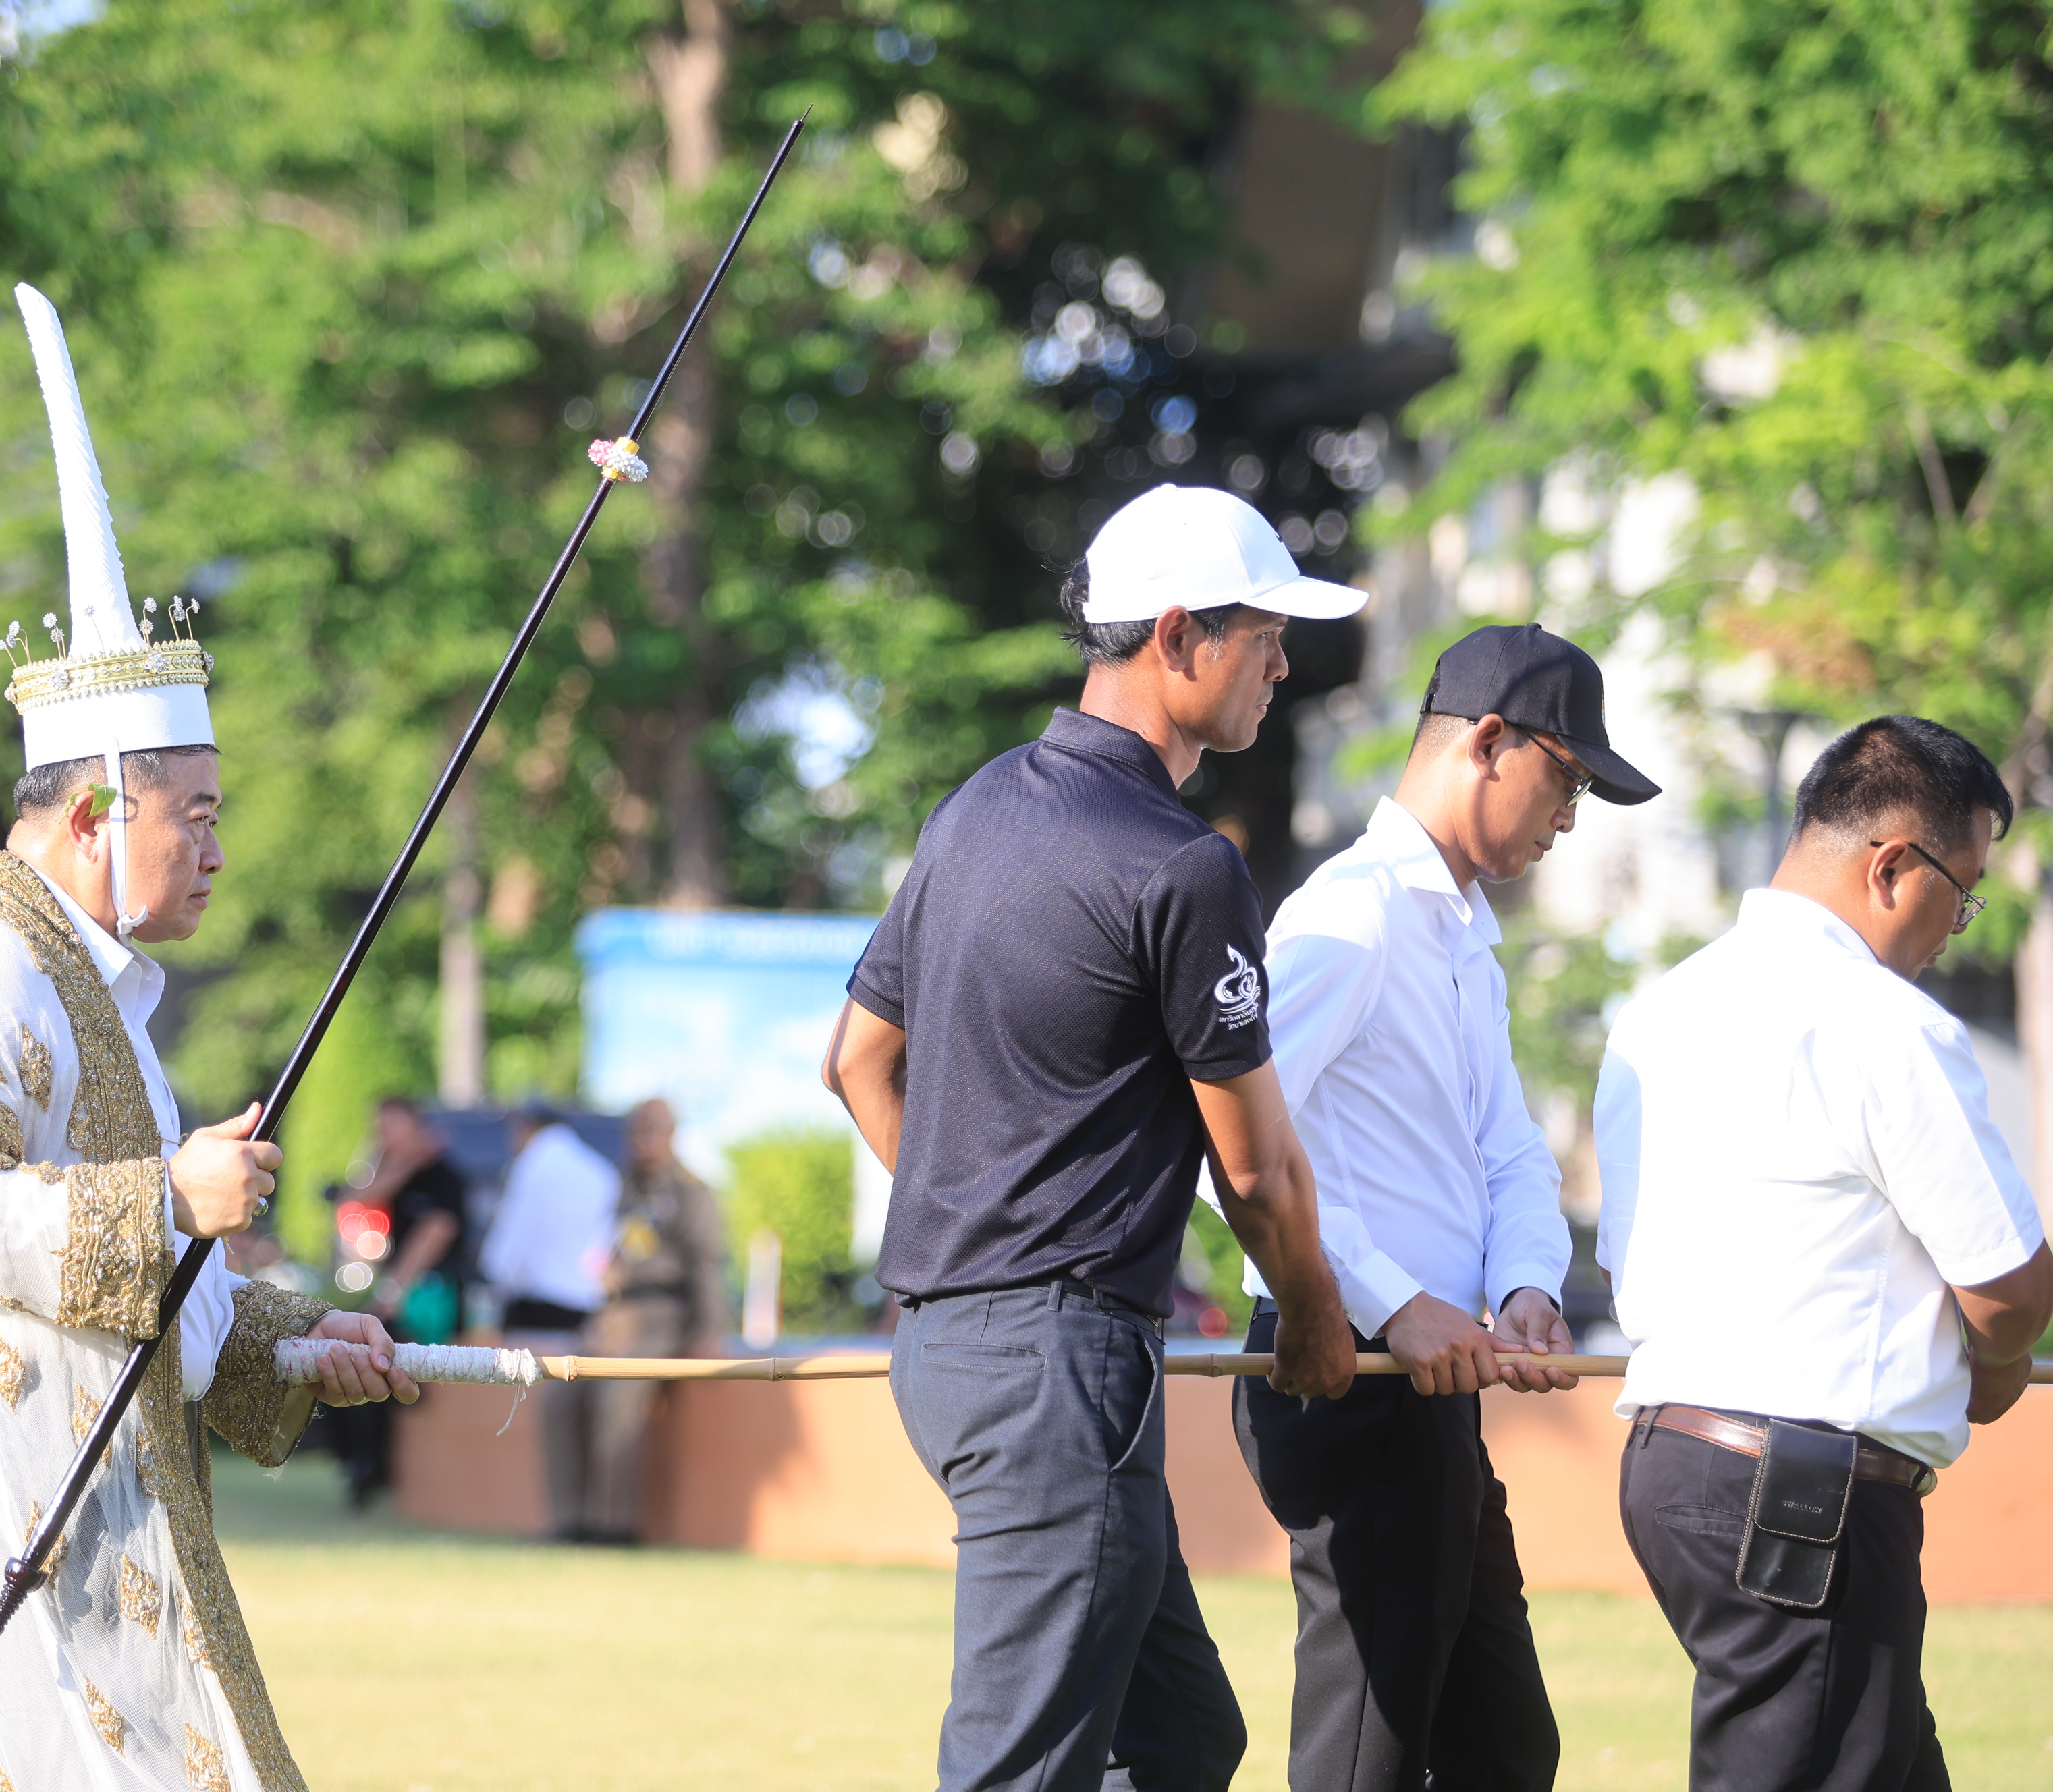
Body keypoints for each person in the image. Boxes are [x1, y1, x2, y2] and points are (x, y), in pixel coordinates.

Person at [0, 283, 416, 1792]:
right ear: (101, 809)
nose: (218, 849)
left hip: (108, 1513)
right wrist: (172, 1194)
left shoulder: (98, 991)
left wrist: (299, 1341)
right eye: (199, 814)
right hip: (21, 1523)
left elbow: (153, 1284)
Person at [823, 483, 1361, 1792]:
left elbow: (854, 1060)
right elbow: (1258, 1166)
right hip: (1052, 1367)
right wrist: (1311, 1319)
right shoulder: (1183, 864)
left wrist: (976, 1223)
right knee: (1023, 1771)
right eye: (1264, 633)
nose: (1284, 663)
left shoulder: (976, 807)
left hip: (958, 1348)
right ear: (1179, 636)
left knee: (1177, 1739)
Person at [1227, 622, 1662, 1792]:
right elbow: (1239, 1139)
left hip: (1430, 1382)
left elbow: (1510, 1150)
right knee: (1363, 1755)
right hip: (1347, 1372)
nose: (1567, 818)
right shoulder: (1347, 912)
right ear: (1485, 741)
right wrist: (1387, 1301)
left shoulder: (1463, 932)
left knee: (1504, 1748)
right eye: (1564, 780)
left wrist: (1525, 1285)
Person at [1598, 715, 2053, 1792]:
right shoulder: (1884, 1023)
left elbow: (1631, 1259)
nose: (1961, 924)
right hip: (1803, 1492)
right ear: (1895, 866)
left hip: (1685, 1463)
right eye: (1966, 887)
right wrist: (1988, 1380)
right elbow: (2007, 1285)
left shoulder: (1659, 1011)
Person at [577, 1097, 729, 1543]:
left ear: (671, 1135)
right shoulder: (625, 1185)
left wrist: (709, 1332)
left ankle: (614, 1526)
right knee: (558, 1398)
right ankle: (574, 1520)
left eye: (651, 1131)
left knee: (617, 1402)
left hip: (664, 1314)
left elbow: (707, 1263)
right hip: (615, 1313)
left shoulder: (689, 1190)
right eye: (636, 1132)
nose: (641, 1141)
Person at [478, 1100, 621, 1540]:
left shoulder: (534, 1166)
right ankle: (586, 1516)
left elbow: (511, 1242)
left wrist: (492, 1280)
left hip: (536, 1304)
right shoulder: (601, 1171)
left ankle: (557, 1516)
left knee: (544, 1414)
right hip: (587, 1305)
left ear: (528, 1127)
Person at [321, 1098, 470, 1508]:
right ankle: (357, 1461)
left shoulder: (443, 1176)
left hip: (430, 1299)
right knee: (334, 1352)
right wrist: (399, 1162)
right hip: (394, 1297)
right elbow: (357, 1201)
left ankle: (377, 1466)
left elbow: (434, 1236)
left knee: (383, 1361)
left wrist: (390, 1296)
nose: (383, 1135)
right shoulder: (395, 1171)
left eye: (392, 1127)